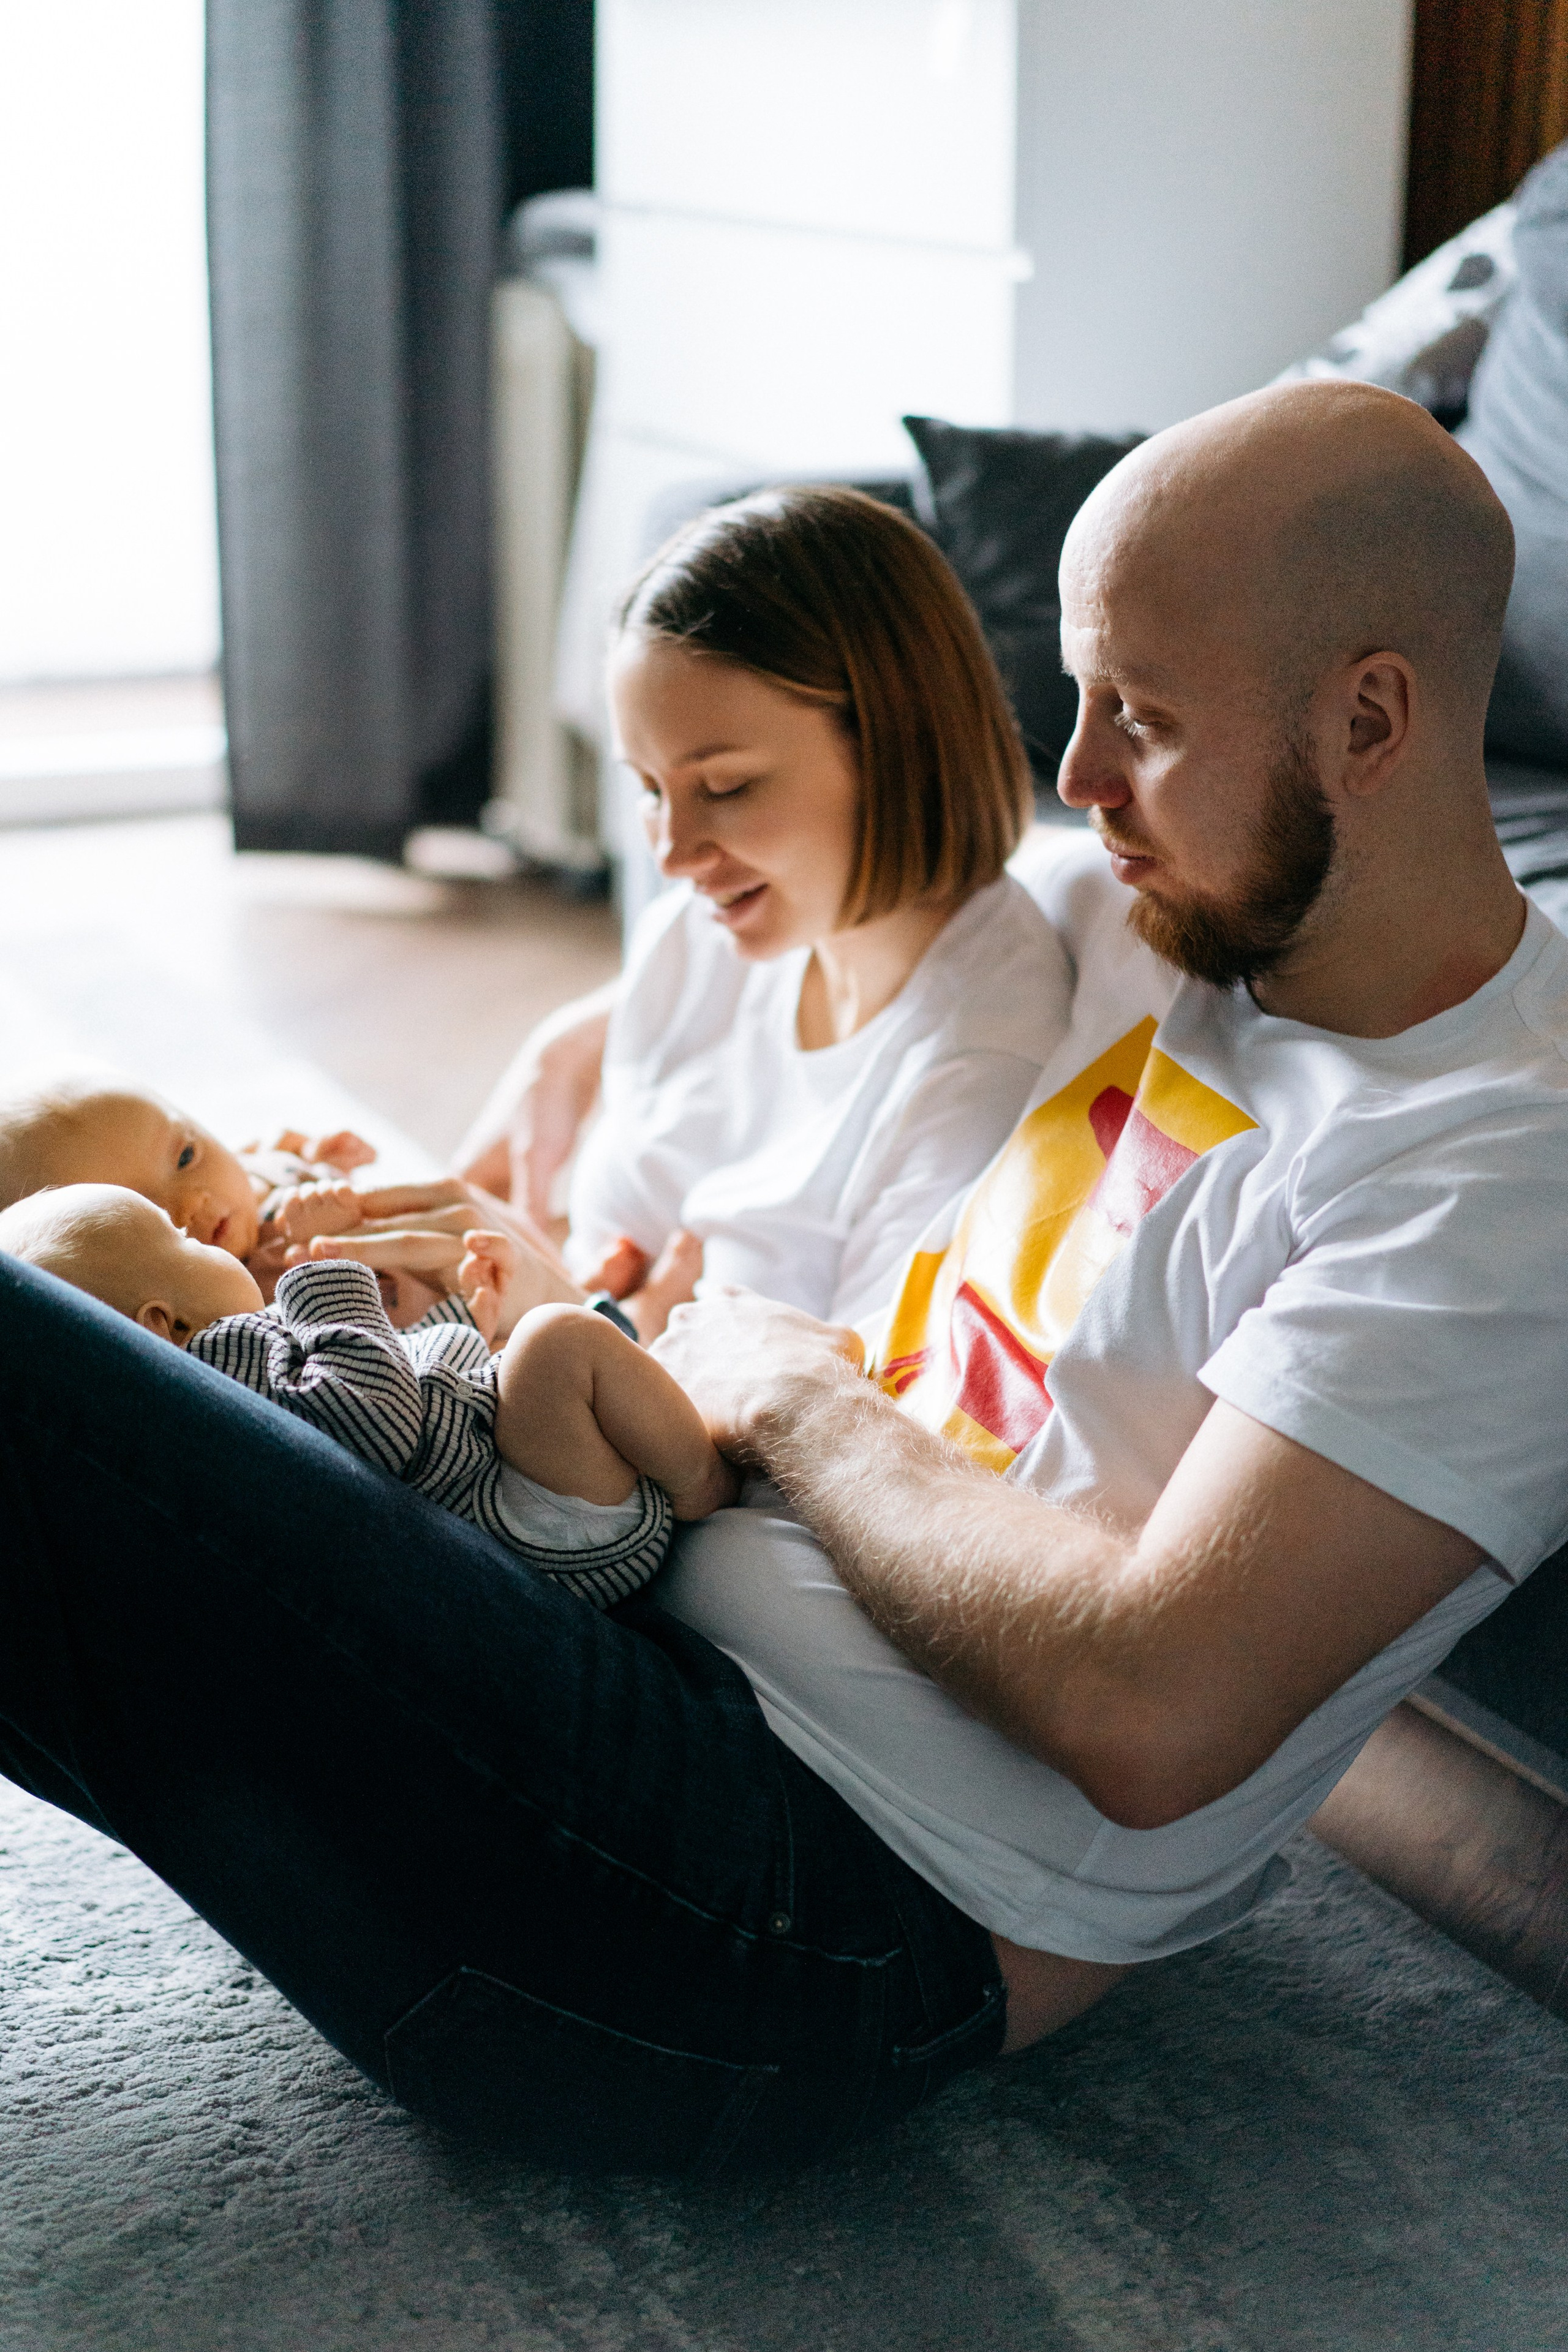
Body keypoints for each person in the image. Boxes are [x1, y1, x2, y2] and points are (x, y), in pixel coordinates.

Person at [0, 380, 1559, 2176]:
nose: (1077, 776)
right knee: (96, 1302)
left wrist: (795, 1386)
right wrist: (580, 1044)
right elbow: (859, 886)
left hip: (802, 1913)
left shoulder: (1497, 1170)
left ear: (1369, 717)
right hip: (635, 1625)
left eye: (1141, 717)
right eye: (1073, 697)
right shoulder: (1177, 907)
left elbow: (1157, 1712)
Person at [455, 484, 1072, 1334]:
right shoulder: (714, 931)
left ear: (897, 742)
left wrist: (595, 1330)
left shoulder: (973, 1075)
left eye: (725, 787)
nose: (671, 854)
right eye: (647, 787)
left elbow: (841, 1437)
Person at [0, 1183, 730, 1604]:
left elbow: (399, 1377)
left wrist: (462, 1319)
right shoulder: (231, 1369)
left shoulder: (235, 1378)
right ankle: (706, 1484)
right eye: (183, 1244)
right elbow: (377, 1422)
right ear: (164, 1324)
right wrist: (329, 1278)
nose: (206, 1241)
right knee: (558, 1339)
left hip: (511, 1496)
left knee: (532, 1348)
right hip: (536, 1526)